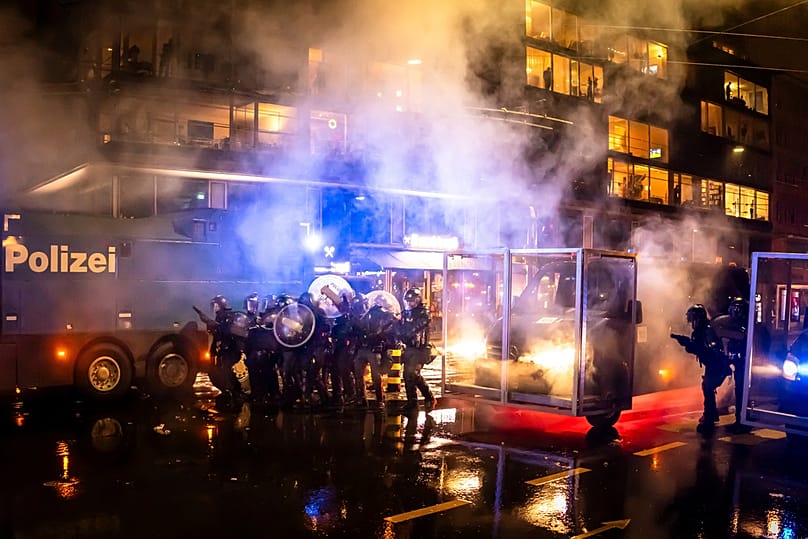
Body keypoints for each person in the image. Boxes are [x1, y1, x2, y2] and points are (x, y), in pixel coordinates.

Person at [671, 304, 732, 431]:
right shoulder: (703, 330)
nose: (691, 322)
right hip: (713, 365)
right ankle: (712, 415)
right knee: (707, 387)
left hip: (717, 365)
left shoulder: (707, 331)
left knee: (708, 388)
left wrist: (687, 343)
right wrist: (686, 342)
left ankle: (709, 419)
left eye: (693, 319)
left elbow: (707, 350)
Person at [712, 297, 752, 433]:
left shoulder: (746, 328)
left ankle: (742, 422)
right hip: (740, 364)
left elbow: (741, 338)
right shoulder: (739, 326)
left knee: (742, 392)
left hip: (745, 365)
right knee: (739, 391)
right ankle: (741, 420)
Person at [397, 288, 435, 413]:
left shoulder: (424, 313)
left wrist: (405, 332)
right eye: (408, 301)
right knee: (408, 375)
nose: (410, 304)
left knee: (412, 373)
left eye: (412, 301)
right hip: (409, 348)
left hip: (421, 349)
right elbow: (398, 327)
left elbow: (416, 327)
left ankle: (429, 397)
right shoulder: (405, 313)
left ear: (418, 300)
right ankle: (412, 403)